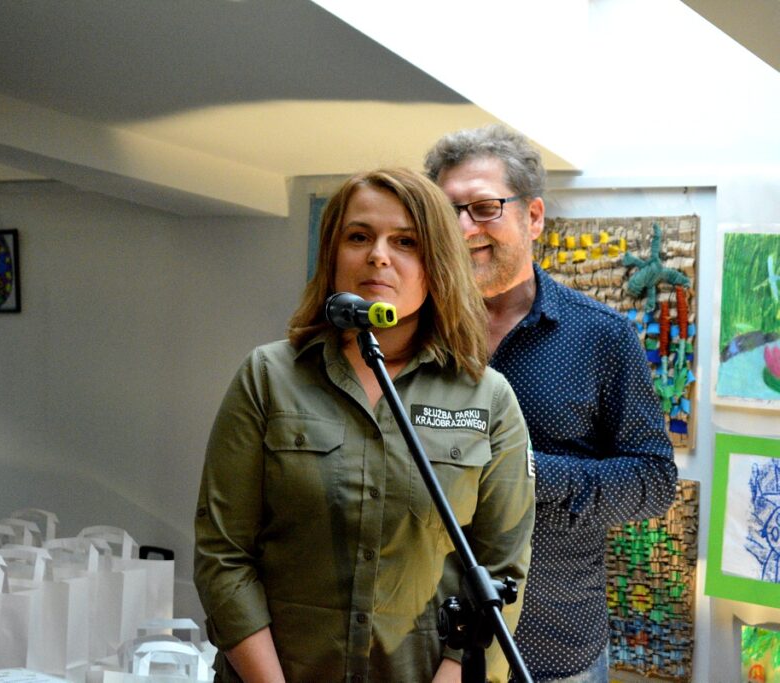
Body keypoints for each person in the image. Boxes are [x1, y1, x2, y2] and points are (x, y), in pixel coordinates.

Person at [194, 167, 535, 683]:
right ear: (332, 254)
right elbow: (223, 555)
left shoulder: (488, 398)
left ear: (437, 263)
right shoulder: (268, 377)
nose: (379, 255)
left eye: (405, 242)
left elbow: (501, 572)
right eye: (359, 237)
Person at [424, 125, 678, 682]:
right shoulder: (411, 336)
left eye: (485, 208)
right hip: (422, 647)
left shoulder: (601, 335)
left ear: (533, 216)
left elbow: (655, 479)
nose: (463, 228)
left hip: (552, 651)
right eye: (447, 212)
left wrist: (527, 473)